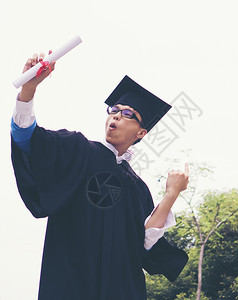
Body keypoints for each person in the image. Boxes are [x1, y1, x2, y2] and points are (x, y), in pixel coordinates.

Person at [11, 52, 189, 300]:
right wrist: (28, 90)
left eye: (128, 114)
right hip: (71, 285)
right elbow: (27, 139)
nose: (116, 115)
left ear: (141, 133)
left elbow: (147, 245)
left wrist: (171, 195)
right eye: (114, 109)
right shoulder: (77, 149)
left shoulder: (137, 187)